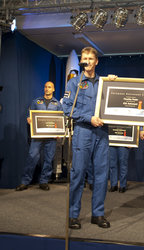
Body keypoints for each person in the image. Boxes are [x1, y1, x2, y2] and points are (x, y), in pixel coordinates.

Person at [62, 47, 111, 229]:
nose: (88, 62)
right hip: (83, 132)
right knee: (78, 174)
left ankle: (97, 214)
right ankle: (73, 215)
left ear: (96, 61)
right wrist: (88, 118)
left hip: (102, 133)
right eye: (85, 59)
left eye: (91, 58)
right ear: (82, 61)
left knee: (100, 175)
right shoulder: (74, 83)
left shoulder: (105, 82)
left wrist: (115, 83)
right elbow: (67, 108)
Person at [16, 81, 63, 191]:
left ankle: (44, 181)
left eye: (49, 87)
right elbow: (30, 115)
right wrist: (29, 119)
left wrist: (59, 132)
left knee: (48, 159)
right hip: (37, 136)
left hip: (51, 137)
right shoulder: (36, 102)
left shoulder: (57, 104)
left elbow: (61, 119)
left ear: (53, 89)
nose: (47, 89)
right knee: (32, 157)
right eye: (45, 87)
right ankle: (25, 182)